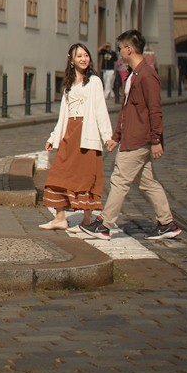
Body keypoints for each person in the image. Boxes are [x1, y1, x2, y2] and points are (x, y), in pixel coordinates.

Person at [83, 29, 181, 241]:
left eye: (120, 49)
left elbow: (155, 110)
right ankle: (167, 223)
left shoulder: (147, 75)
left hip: (139, 139)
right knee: (148, 183)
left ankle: (104, 225)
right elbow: (127, 110)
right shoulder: (133, 74)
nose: (119, 53)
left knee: (119, 179)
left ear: (129, 49)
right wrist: (116, 136)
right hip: (133, 137)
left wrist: (156, 140)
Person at [36, 43, 112, 232]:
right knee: (58, 174)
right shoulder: (68, 85)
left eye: (86, 55)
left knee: (86, 177)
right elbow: (63, 114)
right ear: (71, 60)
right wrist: (53, 137)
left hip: (87, 134)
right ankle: (60, 218)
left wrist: (107, 136)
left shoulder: (94, 81)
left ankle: (86, 222)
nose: (84, 59)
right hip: (70, 133)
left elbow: (101, 110)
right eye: (79, 56)